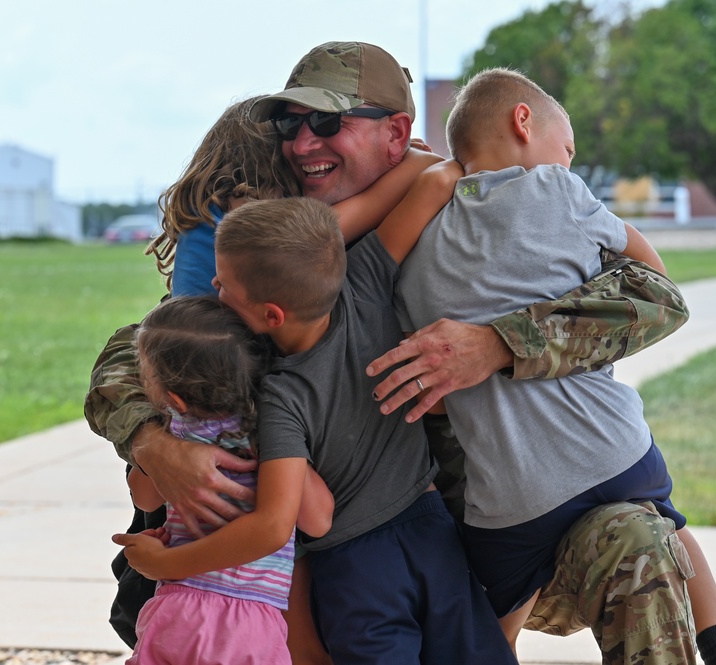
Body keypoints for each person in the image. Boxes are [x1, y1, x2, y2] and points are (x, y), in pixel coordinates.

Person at [88, 41, 695, 664]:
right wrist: (156, 445)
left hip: (481, 535)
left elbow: (652, 296)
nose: (302, 144)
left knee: (639, 538)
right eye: (291, 125)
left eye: (329, 123)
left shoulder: (463, 211)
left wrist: (499, 343)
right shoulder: (280, 251)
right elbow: (133, 352)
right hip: (293, 571)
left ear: (397, 134)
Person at [391, 67, 716, 665]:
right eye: (569, 147)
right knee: (665, 520)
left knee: (494, 626)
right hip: (609, 453)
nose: (568, 161)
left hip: (501, 507)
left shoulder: (417, 243)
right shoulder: (557, 191)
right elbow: (657, 285)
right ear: (523, 121)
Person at [95, 90, 439, 660]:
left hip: (223, 501)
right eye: (293, 135)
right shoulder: (253, 237)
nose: (306, 145)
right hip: (262, 455)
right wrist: (406, 171)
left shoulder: (215, 232)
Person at [119, 196, 518, 664]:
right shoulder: (363, 283)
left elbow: (283, 522)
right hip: (428, 523)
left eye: (224, 285)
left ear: (272, 316)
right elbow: (429, 180)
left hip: (355, 562)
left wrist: (165, 564)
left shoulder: (279, 398)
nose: (213, 287)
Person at [122, 295, 334, 664]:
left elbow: (145, 498)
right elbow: (318, 520)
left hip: (183, 609)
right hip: (256, 622)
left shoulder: (175, 437)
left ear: (174, 399)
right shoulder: (273, 437)